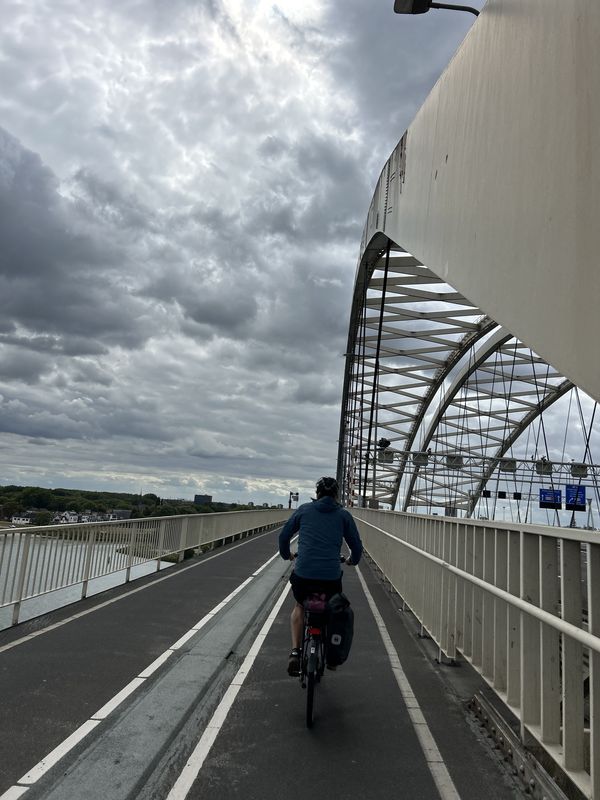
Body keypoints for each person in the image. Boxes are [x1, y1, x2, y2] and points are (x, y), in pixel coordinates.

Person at [278, 476, 363, 676]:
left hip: (303, 574)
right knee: (333, 608)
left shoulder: (304, 510)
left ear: (317, 494)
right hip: (330, 578)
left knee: (300, 605)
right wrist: (352, 560)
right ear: (336, 495)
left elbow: (283, 536)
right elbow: (356, 546)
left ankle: (295, 652)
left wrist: (286, 555)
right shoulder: (343, 515)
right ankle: (332, 656)